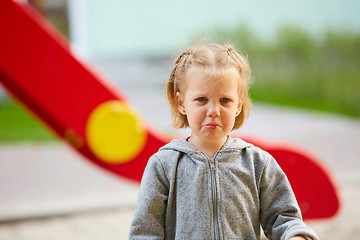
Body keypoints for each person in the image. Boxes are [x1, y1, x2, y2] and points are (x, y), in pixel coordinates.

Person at [129, 43, 319, 240]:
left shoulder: (257, 164)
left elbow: (284, 217)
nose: (214, 110)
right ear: (181, 103)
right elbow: (145, 231)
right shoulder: (164, 165)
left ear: (238, 105)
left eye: (225, 100)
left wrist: (295, 235)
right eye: (202, 99)